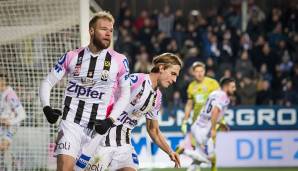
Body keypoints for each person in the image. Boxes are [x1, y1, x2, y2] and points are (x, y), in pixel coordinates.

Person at [39, 11, 131, 171]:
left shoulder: (119, 60)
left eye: (111, 30)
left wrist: (110, 120)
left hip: (99, 128)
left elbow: (125, 95)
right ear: (91, 31)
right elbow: (47, 82)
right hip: (71, 124)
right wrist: (46, 107)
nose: (108, 33)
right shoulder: (72, 56)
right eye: (103, 29)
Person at [84, 53, 182, 171]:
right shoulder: (137, 80)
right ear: (161, 68)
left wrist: (170, 151)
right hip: (100, 141)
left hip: (124, 145)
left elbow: (153, 130)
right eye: (173, 74)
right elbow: (103, 93)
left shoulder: (157, 97)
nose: (175, 80)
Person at [183, 77, 236, 171]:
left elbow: (209, 109)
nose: (234, 89)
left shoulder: (214, 93)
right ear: (226, 86)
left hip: (197, 125)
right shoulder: (224, 97)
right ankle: (185, 151)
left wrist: (222, 124)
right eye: (232, 87)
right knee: (208, 159)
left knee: (198, 159)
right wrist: (213, 129)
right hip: (204, 129)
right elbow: (215, 111)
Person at [0, 74, 26, 170]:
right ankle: (13, 165)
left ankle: (15, 166)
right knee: (3, 150)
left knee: (3, 146)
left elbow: (22, 114)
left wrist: (10, 122)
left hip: (11, 126)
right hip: (3, 125)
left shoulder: (10, 95)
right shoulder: (2, 93)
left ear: (3, 83)